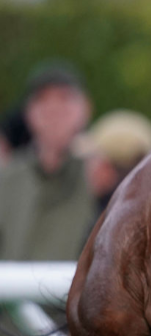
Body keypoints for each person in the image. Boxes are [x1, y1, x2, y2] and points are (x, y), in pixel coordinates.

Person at [0, 63, 95, 261]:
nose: (54, 109)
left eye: (64, 98)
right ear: (28, 112)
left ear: (85, 107)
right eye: (42, 100)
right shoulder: (7, 180)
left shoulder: (101, 178)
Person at [77, 109, 151, 214]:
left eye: (93, 159)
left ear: (108, 169)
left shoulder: (100, 220)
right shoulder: (145, 212)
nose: (89, 169)